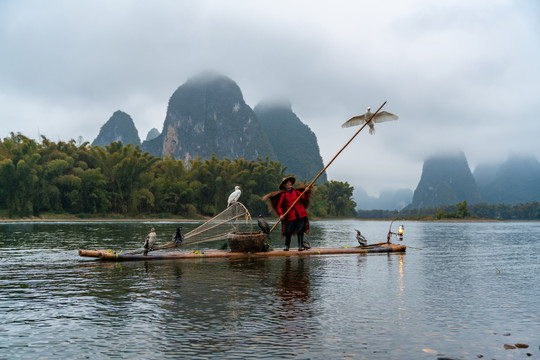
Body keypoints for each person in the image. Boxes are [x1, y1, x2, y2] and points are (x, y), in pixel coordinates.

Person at [276, 176, 311, 251]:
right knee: (288, 231)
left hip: (301, 214)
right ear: (285, 185)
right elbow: (279, 206)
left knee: (300, 230)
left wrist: (306, 192)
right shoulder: (284, 195)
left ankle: (300, 246)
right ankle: (287, 246)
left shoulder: (297, 192)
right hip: (290, 216)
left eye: (290, 182)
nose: (289, 184)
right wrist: (281, 214)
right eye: (287, 183)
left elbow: (305, 198)